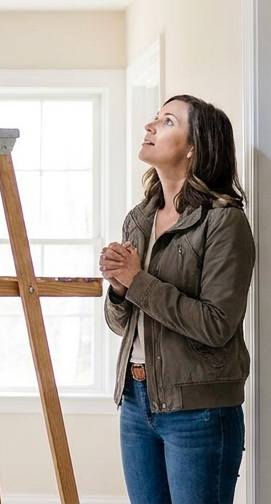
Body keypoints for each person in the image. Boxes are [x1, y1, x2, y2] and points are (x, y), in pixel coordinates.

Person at [99, 95, 256, 504]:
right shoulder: (139, 218)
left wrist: (137, 280)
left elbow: (216, 324)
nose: (150, 127)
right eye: (155, 118)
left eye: (167, 121)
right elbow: (121, 325)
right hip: (136, 402)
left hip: (198, 410)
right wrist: (119, 288)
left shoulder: (224, 221)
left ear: (194, 147)